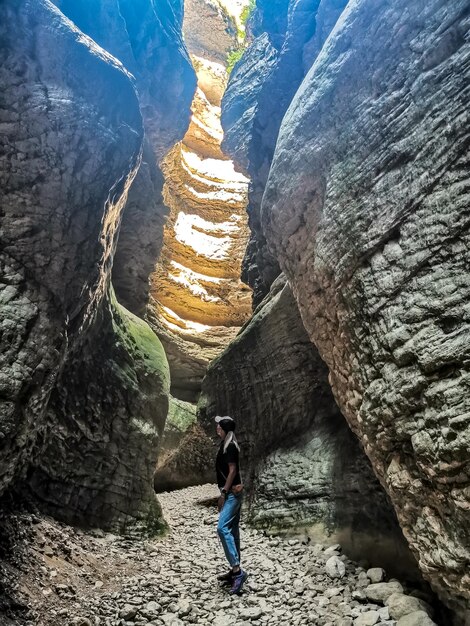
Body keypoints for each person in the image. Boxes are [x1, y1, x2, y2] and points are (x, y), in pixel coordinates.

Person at [214, 415, 247, 595]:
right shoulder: (225, 444)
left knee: (222, 528)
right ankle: (235, 571)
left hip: (232, 493)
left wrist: (224, 493)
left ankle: (237, 571)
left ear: (225, 429)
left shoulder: (231, 446)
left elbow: (233, 470)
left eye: (219, 426)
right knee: (233, 530)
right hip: (232, 492)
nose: (217, 428)